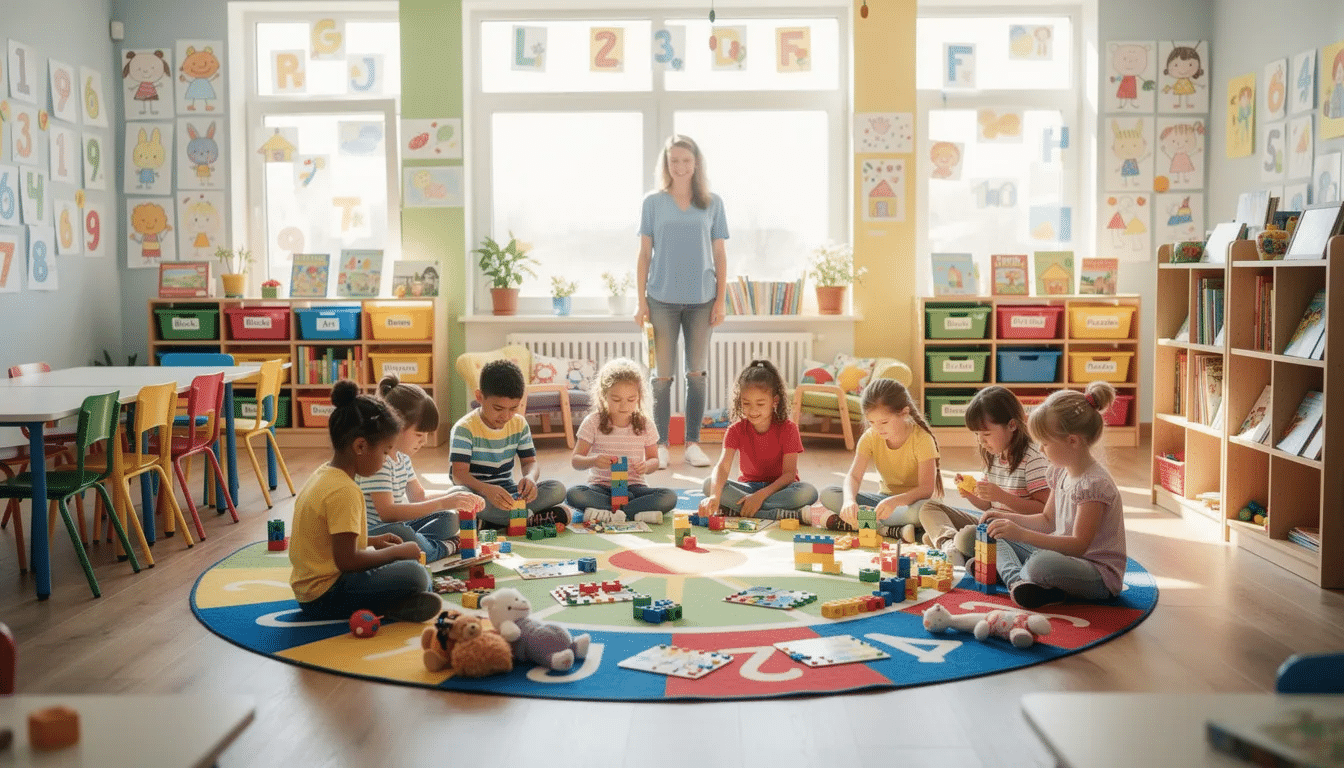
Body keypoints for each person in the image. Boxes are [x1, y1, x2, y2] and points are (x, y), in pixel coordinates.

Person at [289, 380, 442, 622]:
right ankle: (387, 607)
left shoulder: (324, 474)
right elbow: (348, 560)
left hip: (310, 591)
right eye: (384, 452)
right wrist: (397, 553)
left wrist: (373, 540)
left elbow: (330, 542)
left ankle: (393, 607)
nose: (386, 460)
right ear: (360, 446)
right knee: (417, 574)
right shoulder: (344, 491)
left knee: (412, 572)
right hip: (326, 595)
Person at [981, 382, 1128, 610]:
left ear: (1072, 441)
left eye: (1045, 443)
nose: (1040, 450)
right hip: (1062, 557)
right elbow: (1047, 521)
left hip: (1095, 574)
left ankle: (1010, 575)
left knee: (1041, 564)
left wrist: (1022, 534)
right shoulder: (1060, 471)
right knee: (993, 535)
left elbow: (1079, 546)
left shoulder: (1094, 485)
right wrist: (1006, 519)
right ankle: (1021, 583)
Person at [634, 134, 729, 471]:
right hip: (660, 299)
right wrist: (640, 301)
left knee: (697, 374)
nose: (681, 166)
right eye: (674, 161)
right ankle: (659, 444)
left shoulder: (713, 203)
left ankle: (692, 443)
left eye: (686, 161)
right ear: (667, 164)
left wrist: (720, 300)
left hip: (703, 300)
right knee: (661, 376)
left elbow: (719, 253)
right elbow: (644, 254)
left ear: (696, 163)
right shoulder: (652, 203)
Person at [358, 374, 485, 563]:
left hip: (398, 526)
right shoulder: (378, 461)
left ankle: (420, 546)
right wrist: (444, 502)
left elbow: (419, 497)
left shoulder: (401, 457)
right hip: (375, 533)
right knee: (401, 531)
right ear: (396, 426)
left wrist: (456, 498)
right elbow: (387, 513)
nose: (424, 441)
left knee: (449, 517)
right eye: (419, 434)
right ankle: (444, 547)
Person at [918, 386, 1049, 566]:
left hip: (1017, 532)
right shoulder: (994, 454)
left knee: (966, 536)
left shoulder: (1033, 458)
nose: (981, 441)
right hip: (992, 523)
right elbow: (988, 505)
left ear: (1012, 425)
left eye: (986, 434)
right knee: (929, 508)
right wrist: (971, 494)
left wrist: (1002, 496)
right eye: (977, 434)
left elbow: (1043, 511)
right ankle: (949, 544)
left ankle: (949, 542)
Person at [820, 378, 941, 542]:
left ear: (904, 413)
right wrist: (849, 501)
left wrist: (896, 501)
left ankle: (870, 524)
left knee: (923, 510)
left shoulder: (922, 440)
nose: (877, 428)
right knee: (829, 493)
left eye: (884, 422)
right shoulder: (870, 437)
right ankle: (890, 528)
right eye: (871, 422)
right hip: (882, 501)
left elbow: (926, 489)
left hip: (912, 503)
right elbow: (854, 477)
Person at [450, 359, 567, 528]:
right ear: (479, 397)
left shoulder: (519, 424)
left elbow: (530, 462)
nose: (506, 416)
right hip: (477, 493)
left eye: (513, 408)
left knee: (557, 489)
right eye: (498, 409)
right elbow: (459, 475)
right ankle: (523, 519)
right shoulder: (464, 428)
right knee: (458, 495)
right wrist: (486, 490)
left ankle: (493, 522)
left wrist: (530, 478)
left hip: (508, 493)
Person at [699, 360, 818, 519]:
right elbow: (723, 467)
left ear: (774, 401)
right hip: (748, 488)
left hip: (780, 489)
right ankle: (772, 513)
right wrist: (714, 496)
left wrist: (760, 496)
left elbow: (789, 475)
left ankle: (740, 509)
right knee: (709, 484)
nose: (753, 410)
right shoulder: (736, 430)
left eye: (760, 404)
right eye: (746, 403)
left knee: (808, 492)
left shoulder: (789, 429)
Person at [567, 358, 678, 524]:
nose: (624, 406)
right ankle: (631, 512)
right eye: (617, 400)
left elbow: (654, 460)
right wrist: (594, 460)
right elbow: (576, 461)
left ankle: (610, 512)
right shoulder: (593, 422)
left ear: (639, 397)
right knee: (573, 494)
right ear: (604, 396)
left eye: (631, 399)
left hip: (634, 487)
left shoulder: (645, 424)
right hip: (601, 488)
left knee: (669, 497)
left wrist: (646, 466)